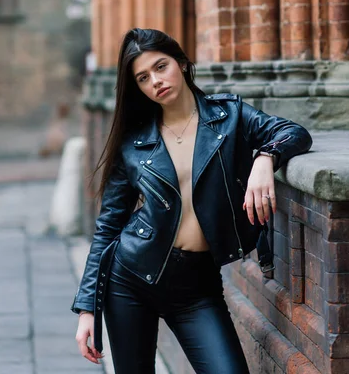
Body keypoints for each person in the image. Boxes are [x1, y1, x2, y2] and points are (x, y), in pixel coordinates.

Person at [72, 28, 312, 373]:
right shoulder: (134, 142)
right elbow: (108, 225)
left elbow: (294, 133)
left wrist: (265, 159)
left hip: (197, 286)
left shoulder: (229, 117)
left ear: (182, 63)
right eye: (142, 77)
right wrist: (86, 309)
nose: (155, 81)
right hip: (130, 280)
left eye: (160, 66)